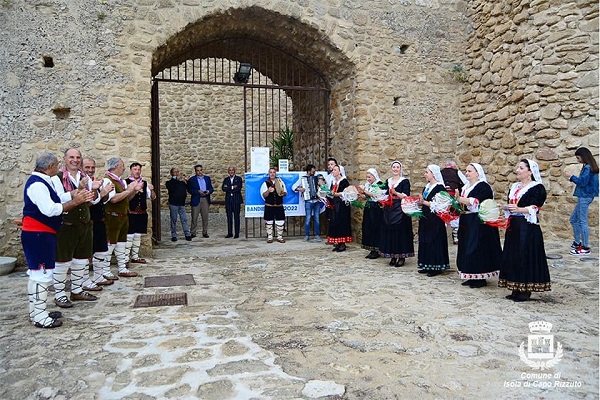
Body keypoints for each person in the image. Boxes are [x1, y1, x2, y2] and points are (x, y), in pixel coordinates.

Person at [22, 151, 92, 328]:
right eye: (56, 166)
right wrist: (75, 203)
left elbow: (59, 198)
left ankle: (37, 310)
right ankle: (39, 316)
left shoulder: (43, 181)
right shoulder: (38, 184)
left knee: (38, 274)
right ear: (50, 167)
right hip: (39, 234)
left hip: (42, 234)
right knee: (41, 274)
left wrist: (76, 194)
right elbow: (50, 209)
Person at [50, 148, 103, 308]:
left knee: (81, 260)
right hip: (66, 224)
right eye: (71, 157)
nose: (75, 160)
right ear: (65, 159)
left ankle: (77, 290)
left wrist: (93, 190)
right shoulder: (57, 178)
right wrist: (78, 190)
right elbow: (59, 198)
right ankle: (59, 294)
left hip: (84, 224)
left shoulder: (84, 176)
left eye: (78, 157)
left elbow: (94, 200)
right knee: (62, 261)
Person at [498, 159, 551, 302]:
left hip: (527, 227)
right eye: (518, 167)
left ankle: (525, 290)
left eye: (521, 168)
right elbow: (512, 204)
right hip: (514, 225)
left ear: (530, 171)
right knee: (513, 255)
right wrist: (506, 207)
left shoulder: (537, 188)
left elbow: (536, 207)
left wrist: (519, 209)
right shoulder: (515, 186)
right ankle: (515, 287)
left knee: (524, 255)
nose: (517, 170)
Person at [454, 163, 502, 287]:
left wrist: (460, 199)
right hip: (466, 219)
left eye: (470, 171)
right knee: (465, 246)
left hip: (478, 222)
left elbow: (477, 202)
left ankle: (480, 277)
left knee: (476, 248)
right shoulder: (466, 187)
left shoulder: (483, 187)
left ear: (477, 173)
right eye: (466, 171)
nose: (467, 173)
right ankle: (470, 275)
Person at [103, 157, 143, 278]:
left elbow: (125, 199)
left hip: (122, 216)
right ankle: (105, 271)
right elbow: (113, 199)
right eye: (122, 166)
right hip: (112, 217)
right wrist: (129, 190)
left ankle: (122, 268)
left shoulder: (120, 181)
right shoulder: (107, 180)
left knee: (121, 244)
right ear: (116, 167)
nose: (124, 168)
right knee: (110, 244)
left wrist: (133, 191)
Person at [82, 157, 115, 288]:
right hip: (88, 222)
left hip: (99, 221)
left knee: (100, 250)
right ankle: (84, 281)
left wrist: (105, 193)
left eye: (92, 168)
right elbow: (85, 204)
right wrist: (100, 193)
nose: (90, 170)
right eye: (87, 167)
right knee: (85, 254)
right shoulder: (81, 183)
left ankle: (99, 276)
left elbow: (103, 200)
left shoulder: (95, 181)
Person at [563, 147, 599, 255]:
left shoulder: (588, 168)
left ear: (583, 157)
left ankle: (585, 247)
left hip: (585, 196)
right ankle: (577, 242)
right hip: (584, 196)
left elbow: (582, 182)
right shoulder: (588, 166)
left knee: (582, 221)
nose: (578, 160)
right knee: (574, 219)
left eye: (578, 157)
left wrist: (571, 177)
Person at [379, 161, 414, 266]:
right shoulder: (388, 181)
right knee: (390, 231)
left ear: (400, 169)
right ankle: (392, 255)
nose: (395, 169)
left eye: (397, 167)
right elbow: (384, 194)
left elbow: (406, 196)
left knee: (400, 232)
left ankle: (401, 256)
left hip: (400, 208)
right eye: (393, 167)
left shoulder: (404, 181)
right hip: (389, 209)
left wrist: (395, 193)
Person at [417, 165, 450, 277]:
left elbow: (440, 205)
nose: (425, 174)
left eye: (427, 172)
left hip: (435, 218)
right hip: (426, 216)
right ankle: (426, 264)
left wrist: (423, 202)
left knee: (434, 240)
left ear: (433, 173)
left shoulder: (440, 188)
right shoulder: (427, 186)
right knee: (425, 239)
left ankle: (436, 266)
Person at [125, 162, 156, 263]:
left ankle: (135, 257)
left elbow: (152, 197)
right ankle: (125, 259)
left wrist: (152, 190)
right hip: (130, 213)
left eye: (139, 169)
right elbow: (125, 198)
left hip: (141, 213)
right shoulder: (126, 182)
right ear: (131, 170)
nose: (137, 171)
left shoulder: (145, 183)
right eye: (135, 169)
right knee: (129, 236)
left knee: (137, 236)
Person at [293, 164, 322, 242]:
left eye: (314, 171)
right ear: (308, 171)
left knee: (317, 219)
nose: (314, 173)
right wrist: (300, 189)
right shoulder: (303, 179)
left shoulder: (318, 178)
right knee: (308, 218)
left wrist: (320, 186)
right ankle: (307, 235)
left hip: (317, 201)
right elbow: (293, 187)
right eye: (312, 171)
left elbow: (323, 187)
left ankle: (317, 235)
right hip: (308, 201)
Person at [326, 165, 353, 252]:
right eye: (332, 170)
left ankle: (343, 243)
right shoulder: (334, 182)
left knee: (342, 223)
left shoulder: (344, 181)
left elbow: (347, 193)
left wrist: (336, 194)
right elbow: (331, 192)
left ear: (339, 171)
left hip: (342, 206)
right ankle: (338, 242)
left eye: (335, 170)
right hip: (335, 205)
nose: (333, 171)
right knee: (335, 222)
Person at [359, 168, 383, 259]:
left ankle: (377, 249)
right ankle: (371, 249)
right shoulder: (368, 185)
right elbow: (367, 196)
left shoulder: (379, 184)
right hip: (369, 208)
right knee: (368, 227)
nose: (368, 179)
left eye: (369, 177)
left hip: (376, 209)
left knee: (375, 228)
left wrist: (364, 190)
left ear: (374, 176)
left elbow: (375, 195)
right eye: (367, 177)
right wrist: (360, 195)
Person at [441, 161, 466, 244]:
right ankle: (455, 237)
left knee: (443, 215)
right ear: (454, 166)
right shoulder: (457, 172)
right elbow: (465, 182)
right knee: (455, 215)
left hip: (442, 197)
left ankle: (443, 237)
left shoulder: (441, 172)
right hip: (454, 196)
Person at [260, 167, 287, 243]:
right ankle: (270, 237)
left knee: (280, 222)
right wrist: (268, 191)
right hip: (269, 206)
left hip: (279, 206)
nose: (272, 174)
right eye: (271, 172)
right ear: (269, 174)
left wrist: (282, 193)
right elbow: (264, 195)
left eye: (273, 172)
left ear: (275, 173)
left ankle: (280, 237)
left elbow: (285, 192)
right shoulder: (265, 183)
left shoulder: (280, 182)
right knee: (269, 222)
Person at [187, 164, 214, 238]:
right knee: (194, 217)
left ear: (202, 170)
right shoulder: (192, 179)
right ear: (195, 171)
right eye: (198, 170)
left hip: (205, 199)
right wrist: (197, 191)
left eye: (201, 170)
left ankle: (205, 232)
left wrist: (209, 191)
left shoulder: (207, 178)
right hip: (196, 198)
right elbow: (189, 189)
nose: (199, 172)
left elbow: (211, 188)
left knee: (205, 217)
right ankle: (193, 232)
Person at [166, 167, 191, 242]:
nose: (177, 173)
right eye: (175, 172)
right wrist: (175, 179)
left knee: (184, 219)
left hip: (181, 203)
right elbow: (172, 189)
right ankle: (174, 235)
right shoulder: (169, 183)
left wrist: (187, 181)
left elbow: (188, 189)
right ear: (171, 173)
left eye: (177, 172)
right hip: (173, 203)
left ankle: (187, 234)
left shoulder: (182, 183)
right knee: (174, 219)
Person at [221, 166, 243, 238]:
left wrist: (229, 188)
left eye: (232, 170)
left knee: (236, 217)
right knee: (229, 217)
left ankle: (237, 233)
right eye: (230, 170)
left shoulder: (239, 179)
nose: (231, 171)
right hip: (228, 201)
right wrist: (233, 187)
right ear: (228, 171)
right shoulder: (226, 179)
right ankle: (229, 233)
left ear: (234, 171)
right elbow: (223, 188)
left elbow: (238, 188)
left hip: (236, 200)